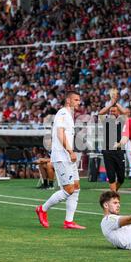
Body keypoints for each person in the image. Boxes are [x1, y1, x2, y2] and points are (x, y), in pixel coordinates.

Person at [35, 91, 86, 229]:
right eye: (76, 99)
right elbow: (60, 134)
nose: (78, 102)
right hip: (62, 157)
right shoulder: (63, 113)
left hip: (68, 156)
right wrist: (70, 151)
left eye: (79, 100)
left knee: (76, 187)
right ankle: (42, 209)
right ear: (68, 101)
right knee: (68, 189)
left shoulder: (69, 115)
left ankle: (69, 221)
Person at [98, 93, 130, 192]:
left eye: (114, 111)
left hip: (119, 151)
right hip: (107, 151)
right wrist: (110, 104)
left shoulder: (122, 120)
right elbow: (100, 113)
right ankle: (114, 194)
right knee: (111, 176)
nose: (112, 112)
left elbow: (125, 113)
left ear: (118, 112)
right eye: (111, 111)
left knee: (121, 177)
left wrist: (116, 103)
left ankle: (114, 192)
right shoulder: (106, 120)